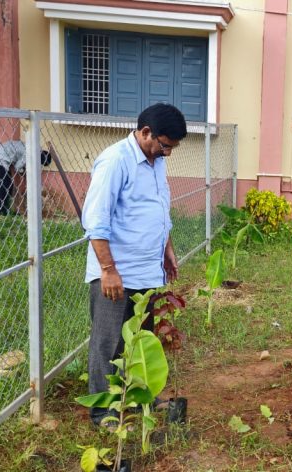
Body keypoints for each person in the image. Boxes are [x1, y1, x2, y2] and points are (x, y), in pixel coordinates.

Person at [82, 103, 187, 428]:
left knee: (141, 338)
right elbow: (96, 220)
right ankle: (104, 411)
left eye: (172, 147)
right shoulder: (115, 161)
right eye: (165, 145)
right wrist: (108, 270)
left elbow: (159, 208)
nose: (168, 153)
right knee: (109, 341)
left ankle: (140, 395)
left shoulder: (156, 161)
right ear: (145, 132)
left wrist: (167, 248)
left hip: (147, 270)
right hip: (117, 273)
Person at [0, 141, 51, 215]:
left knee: (8, 184)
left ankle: (4, 208)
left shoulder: (36, 149)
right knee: (3, 184)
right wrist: (23, 172)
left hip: (3, 155)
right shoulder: (29, 154)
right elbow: (17, 167)